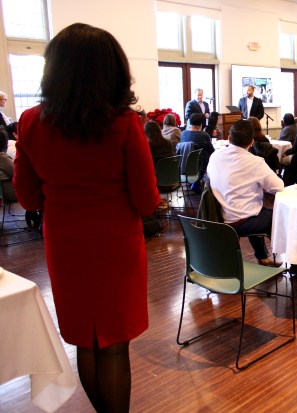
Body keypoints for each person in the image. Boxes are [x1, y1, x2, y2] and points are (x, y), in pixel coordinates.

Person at [13, 23, 160, 412]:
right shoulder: (125, 125)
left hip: (64, 243)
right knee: (113, 346)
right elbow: (146, 202)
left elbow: (27, 197)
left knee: (84, 340)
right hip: (117, 246)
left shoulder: (30, 122)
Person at [207, 119, 283, 266]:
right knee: (280, 216)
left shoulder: (215, 156)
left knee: (255, 207)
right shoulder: (255, 162)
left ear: (229, 138)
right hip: (241, 219)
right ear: (251, 142)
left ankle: (263, 257)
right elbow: (279, 187)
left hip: (219, 214)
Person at [180, 113, 215, 190]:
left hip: (184, 164)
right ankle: (197, 182)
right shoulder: (204, 135)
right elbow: (212, 151)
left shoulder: (183, 134)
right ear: (201, 124)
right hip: (199, 165)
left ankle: (194, 182)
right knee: (208, 155)